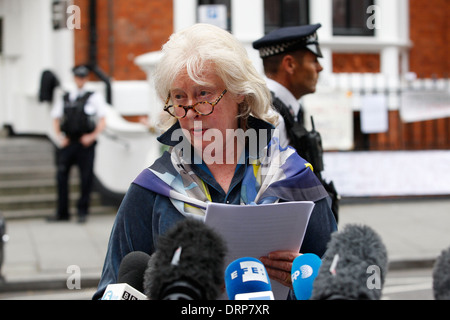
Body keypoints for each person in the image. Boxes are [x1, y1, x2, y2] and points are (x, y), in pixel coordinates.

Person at [93, 24, 336, 299]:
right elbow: (110, 289)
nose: (191, 113)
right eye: (179, 97)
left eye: (203, 94)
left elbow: (340, 281)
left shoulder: (293, 177)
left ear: (240, 94)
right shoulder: (151, 189)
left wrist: (309, 281)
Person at [253, 24, 340, 221]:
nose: (320, 67)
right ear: (290, 64)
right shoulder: (269, 113)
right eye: (313, 60)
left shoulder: (285, 108)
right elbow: (263, 190)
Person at [49, 65, 107, 223]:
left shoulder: (94, 97)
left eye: (83, 77)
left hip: (85, 143)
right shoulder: (67, 97)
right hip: (69, 142)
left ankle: (82, 211)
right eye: (78, 77)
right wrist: (60, 137)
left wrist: (92, 136)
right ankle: (62, 212)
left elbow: (102, 120)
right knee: (61, 176)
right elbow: (56, 117)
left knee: (86, 177)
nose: (80, 80)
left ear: (86, 78)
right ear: (74, 78)